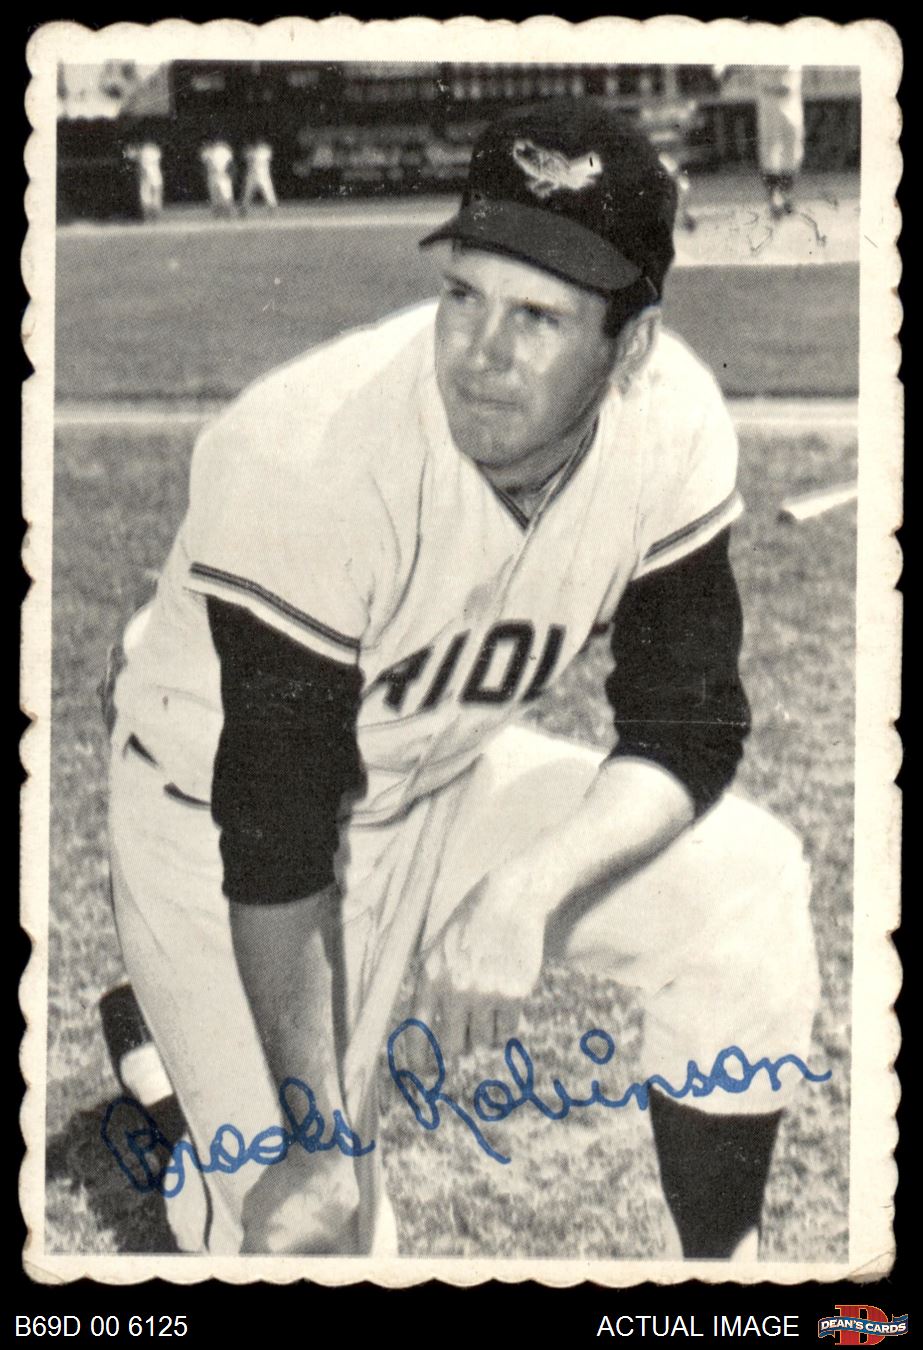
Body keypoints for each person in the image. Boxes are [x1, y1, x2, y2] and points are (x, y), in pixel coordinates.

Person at [103, 100, 823, 1260]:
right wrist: (315, 1148)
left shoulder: (672, 424)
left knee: (745, 881)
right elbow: (276, 828)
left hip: (434, 778)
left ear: (630, 345)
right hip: (216, 832)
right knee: (316, 1235)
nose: (480, 351)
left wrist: (526, 888)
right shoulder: (310, 450)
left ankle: (724, 1283)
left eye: (537, 316)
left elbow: (683, 721)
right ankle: (180, 1094)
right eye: (463, 294)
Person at [754, 66, 805, 219]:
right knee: (770, 146)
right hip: (769, 95)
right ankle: (773, 196)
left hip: (791, 96)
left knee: (793, 145)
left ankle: (786, 193)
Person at [125, 141, 164, 222]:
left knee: (146, 198)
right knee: (154, 198)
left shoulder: (144, 153)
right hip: (156, 177)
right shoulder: (153, 151)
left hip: (147, 178)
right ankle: (154, 218)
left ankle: (148, 218)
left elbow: (134, 157)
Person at [199, 140, 236, 217]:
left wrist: (230, 174)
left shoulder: (224, 150)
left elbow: (231, 164)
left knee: (226, 195)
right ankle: (218, 214)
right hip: (212, 175)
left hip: (222, 175)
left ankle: (229, 213)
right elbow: (204, 166)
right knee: (215, 196)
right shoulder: (207, 151)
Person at [240, 139, 278, 213]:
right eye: (256, 143)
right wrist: (249, 149)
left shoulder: (265, 151)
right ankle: (243, 208)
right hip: (252, 175)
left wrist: (260, 148)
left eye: (259, 143)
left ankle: (272, 208)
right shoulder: (250, 151)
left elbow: (269, 153)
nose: (258, 144)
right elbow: (244, 155)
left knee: (268, 192)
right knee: (247, 193)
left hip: (263, 175)